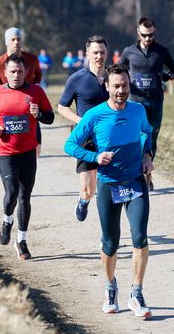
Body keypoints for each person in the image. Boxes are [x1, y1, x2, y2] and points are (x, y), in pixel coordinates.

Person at [65, 63, 154, 318]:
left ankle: (136, 293)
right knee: (110, 241)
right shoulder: (95, 115)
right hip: (108, 184)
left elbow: (147, 134)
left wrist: (148, 155)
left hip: (135, 182)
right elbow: (70, 145)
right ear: (106, 87)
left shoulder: (138, 111)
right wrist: (94, 156)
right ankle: (110, 286)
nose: (121, 91)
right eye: (116, 86)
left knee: (140, 238)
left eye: (124, 86)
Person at [0, 53, 54, 260]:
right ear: (5, 73)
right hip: (6, 153)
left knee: (25, 197)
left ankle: (21, 240)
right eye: (12, 72)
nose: (16, 75)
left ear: (26, 73)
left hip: (28, 153)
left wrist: (38, 114)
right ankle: (6, 221)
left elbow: (50, 117)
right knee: (11, 192)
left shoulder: (36, 91)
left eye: (20, 71)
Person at [120, 16, 174, 190]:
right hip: (135, 102)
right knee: (136, 136)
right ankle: (135, 173)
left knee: (152, 137)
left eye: (151, 35)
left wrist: (167, 76)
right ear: (138, 32)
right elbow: (119, 70)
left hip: (155, 102)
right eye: (145, 35)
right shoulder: (129, 52)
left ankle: (147, 174)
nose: (148, 39)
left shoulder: (161, 51)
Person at [58, 35, 109, 222]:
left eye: (102, 52)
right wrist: (81, 121)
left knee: (109, 190)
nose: (99, 56)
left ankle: (108, 232)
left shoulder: (112, 77)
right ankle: (83, 200)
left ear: (107, 53)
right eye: (95, 52)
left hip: (109, 138)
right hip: (86, 139)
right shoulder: (76, 79)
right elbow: (62, 107)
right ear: (87, 54)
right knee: (88, 190)